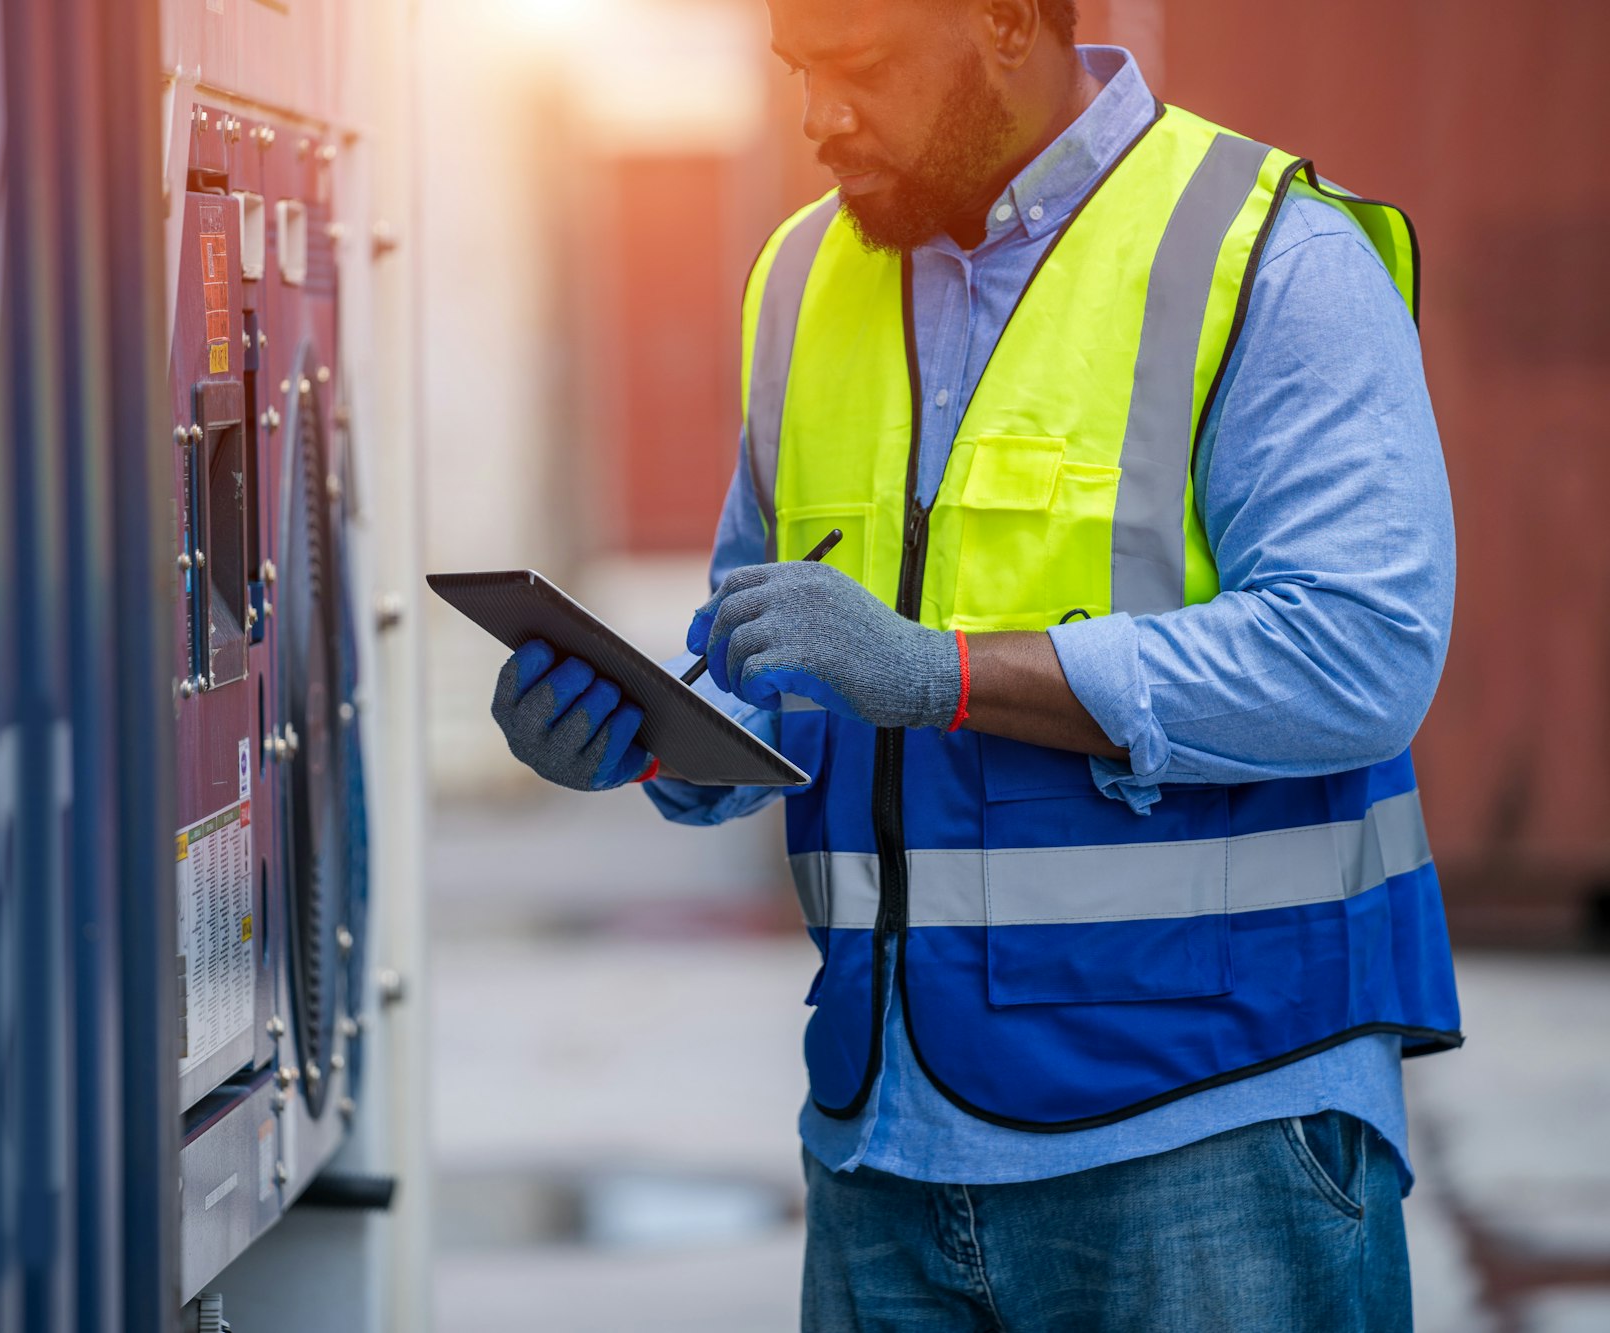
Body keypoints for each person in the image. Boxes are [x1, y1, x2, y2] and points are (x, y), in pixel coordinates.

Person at [488, 0, 1461, 1327]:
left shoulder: (1271, 256)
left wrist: (945, 672)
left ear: (1004, 24)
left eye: (862, 70)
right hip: (884, 1146)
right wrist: (654, 729)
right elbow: (769, 654)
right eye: (799, 73)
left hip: (1214, 1136)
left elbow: (1362, 652)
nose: (819, 116)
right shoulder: (798, 279)